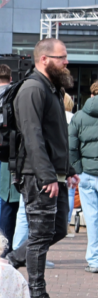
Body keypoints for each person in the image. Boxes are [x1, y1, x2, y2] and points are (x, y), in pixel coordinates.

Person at [8, 38, 78, 298]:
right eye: (62, 57)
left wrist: (67, 170)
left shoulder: (52, 89)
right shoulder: (33, 88)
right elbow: (32, 136)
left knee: (57, 229)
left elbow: (56, 136)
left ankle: (12, 259)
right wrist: (47, 175)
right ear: (45, 59)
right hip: (37, 175)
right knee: (39, 235)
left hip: (53, 174)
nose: (66, 62)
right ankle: (36, 295)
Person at [69, 80, 98, 274]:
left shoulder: (79, 116)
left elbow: (71, 147)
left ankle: (94, 260)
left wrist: (78, 170)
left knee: (92, 217)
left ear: (91, 94)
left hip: (87, 173)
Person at [0, 64, 15, 241]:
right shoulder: (15, 96)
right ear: (10, 79)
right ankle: (6, 234)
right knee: (8, 195)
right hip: (11, 152)